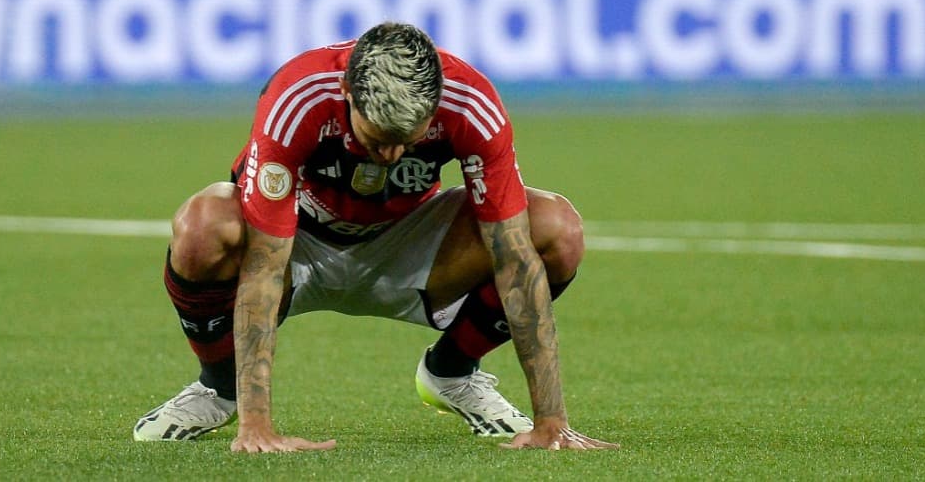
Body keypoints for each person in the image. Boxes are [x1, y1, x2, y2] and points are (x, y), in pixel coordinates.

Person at [133, 22, 619, 453]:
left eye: (406, 139)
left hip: (412, 241)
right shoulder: (298, 97)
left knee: (556, 231)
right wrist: (257, 427)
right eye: (376, 136)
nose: (388, 154)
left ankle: (451, 373)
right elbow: (261, 266)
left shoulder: (471, 104)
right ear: (346, 90)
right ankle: (221, 388)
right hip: (297, 241)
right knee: (203, 225)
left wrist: (551, 421)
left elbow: (514, 259)